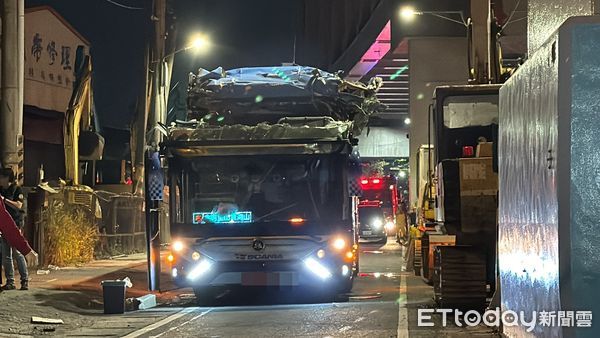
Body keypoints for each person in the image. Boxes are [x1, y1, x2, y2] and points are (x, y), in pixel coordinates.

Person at [0, 168, 30, 290]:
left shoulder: (17, 189)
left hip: (16, 224)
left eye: (1, 177)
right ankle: (10, 281)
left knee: (17, 253)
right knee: (6, 255)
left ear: (7, 178)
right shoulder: (1, 189)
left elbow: (19, 205)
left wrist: (4, 200)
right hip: (4, 226)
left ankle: (24, 280)